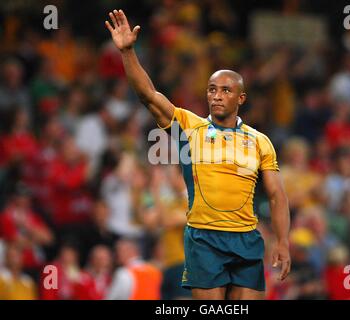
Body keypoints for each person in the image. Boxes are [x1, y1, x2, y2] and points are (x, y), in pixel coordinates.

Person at [105, 9, 290, 300]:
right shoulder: (189, 127)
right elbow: (149, 95)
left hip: (247, 239)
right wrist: (128, 52)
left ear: (241, 98)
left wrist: (282, 242)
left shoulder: (260, 141)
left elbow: (278, 195)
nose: (216, 95)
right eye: (212, 89)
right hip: (204, 239)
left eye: (225, 90)